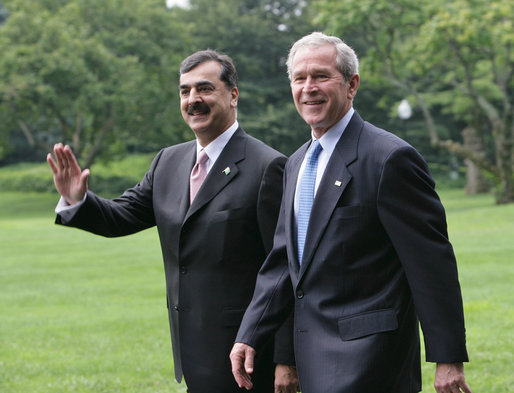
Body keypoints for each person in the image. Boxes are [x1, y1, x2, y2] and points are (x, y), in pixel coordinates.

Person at [230, 32, 472, 393]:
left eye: (321, 76)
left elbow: (431, 265)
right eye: (299, 78)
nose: (308, 88)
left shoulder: (390, 158)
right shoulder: (295, 164)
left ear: (351, 84)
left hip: (373, 361)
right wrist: (250, 333)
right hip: (312, 358)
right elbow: (284, 261)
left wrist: (448, 358)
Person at [47, 50, 298, 393]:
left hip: (249, 355)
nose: (193, 99)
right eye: (185, 90)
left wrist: (287, 358)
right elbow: (121, 216)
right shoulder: (168, 161)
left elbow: (284, 269)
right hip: (191, 351)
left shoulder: (268, 167)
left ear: (233, 95)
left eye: (205, 89)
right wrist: (78, 200)